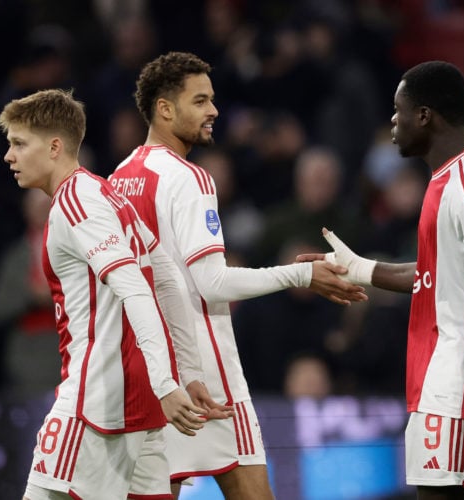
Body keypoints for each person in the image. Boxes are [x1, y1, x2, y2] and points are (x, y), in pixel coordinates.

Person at [109, 51, 366, 500]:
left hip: (146, 372)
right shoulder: (191, 179)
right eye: (201, 100)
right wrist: (300, 275)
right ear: (165, 109)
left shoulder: (118, 177)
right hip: (205, 375)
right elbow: (211, 283)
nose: (214, 111)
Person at [298, 61, 464, 499]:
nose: (392, 121)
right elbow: (440, 276)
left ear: (425, 115)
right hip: (448, 385)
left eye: (399, 110)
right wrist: (360, 268)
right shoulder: (447, 180)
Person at [0, 88, 209, 500]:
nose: (9, 156)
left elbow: (138, 291)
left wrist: (168, 383)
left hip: (96, 402)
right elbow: (166, 279)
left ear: (55, 146)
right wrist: (184, 373)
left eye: (19, 144)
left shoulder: (76, 203)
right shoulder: (109, 194)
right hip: (138, 402)